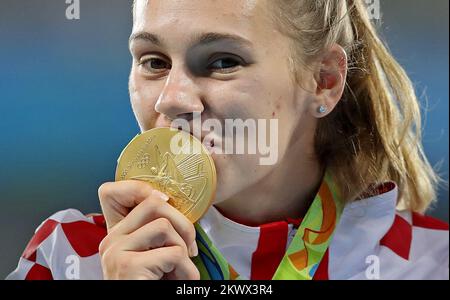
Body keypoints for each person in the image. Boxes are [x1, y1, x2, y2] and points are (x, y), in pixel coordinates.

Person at [7, 0, 448, 280]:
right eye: (154, 61)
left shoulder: (432, 264)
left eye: (221, 61)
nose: (172, 98)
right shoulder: (67, 257)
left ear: (324, 81)